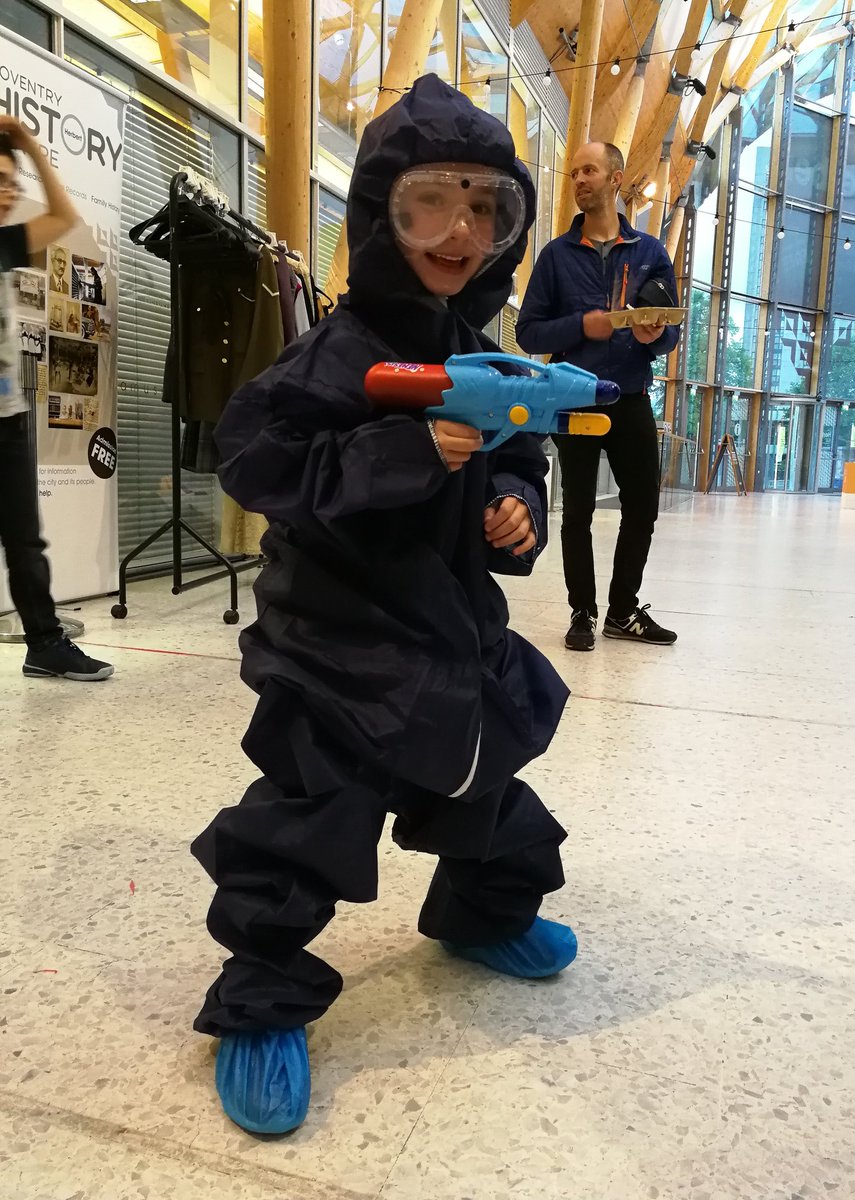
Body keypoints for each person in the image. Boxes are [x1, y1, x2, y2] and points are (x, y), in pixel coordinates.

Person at [191, 73, 576, 1137]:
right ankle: (262, 1005)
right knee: (308, 828)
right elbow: (258, 460)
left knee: (492, 801)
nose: (459, 232)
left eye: (486, 208)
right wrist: (403, 449)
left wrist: (510, 503)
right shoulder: (336, 352)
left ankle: (481, 917)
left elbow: (523, 452)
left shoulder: (479, 350)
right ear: (378, 215)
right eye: (428, 205)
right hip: (338, 651)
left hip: (455, 637)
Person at [517, 141, 681, 650]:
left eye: (588, 170)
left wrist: (657, 336)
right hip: (571, 399)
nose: (579, 180)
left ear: (616, 178)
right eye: (573, 173)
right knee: (578, 512)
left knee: (643, 507)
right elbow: (528, 334)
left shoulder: (651, 254)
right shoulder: (555, 256)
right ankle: (582, 612)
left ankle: (623, 610)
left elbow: (672, 328)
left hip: (629, 397)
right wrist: (582, 327)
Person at [0, 117, 113, 681]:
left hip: (6, 414)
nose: (9, 191)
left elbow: (65, 218)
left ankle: (44, 645)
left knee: (25, 539)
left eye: (11, 183)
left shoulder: (4, 243)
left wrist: (31, 150)